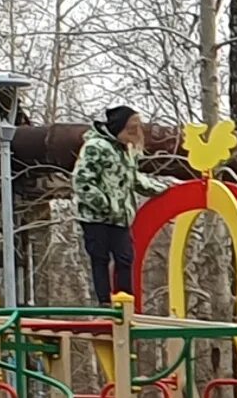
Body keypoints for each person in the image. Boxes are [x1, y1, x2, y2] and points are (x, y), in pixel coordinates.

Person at [73, 104, 173, 303]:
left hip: (120, 217)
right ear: (120, 127)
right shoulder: (96, 147)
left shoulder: (126, 150)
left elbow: (133, 178)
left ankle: (125, 300)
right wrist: (104, 205)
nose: (135, 134)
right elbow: (82, 180)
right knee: (100, 258)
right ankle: (104, 302)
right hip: (96, 217)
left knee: (125, 258)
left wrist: (161, 188)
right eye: (131, 129)